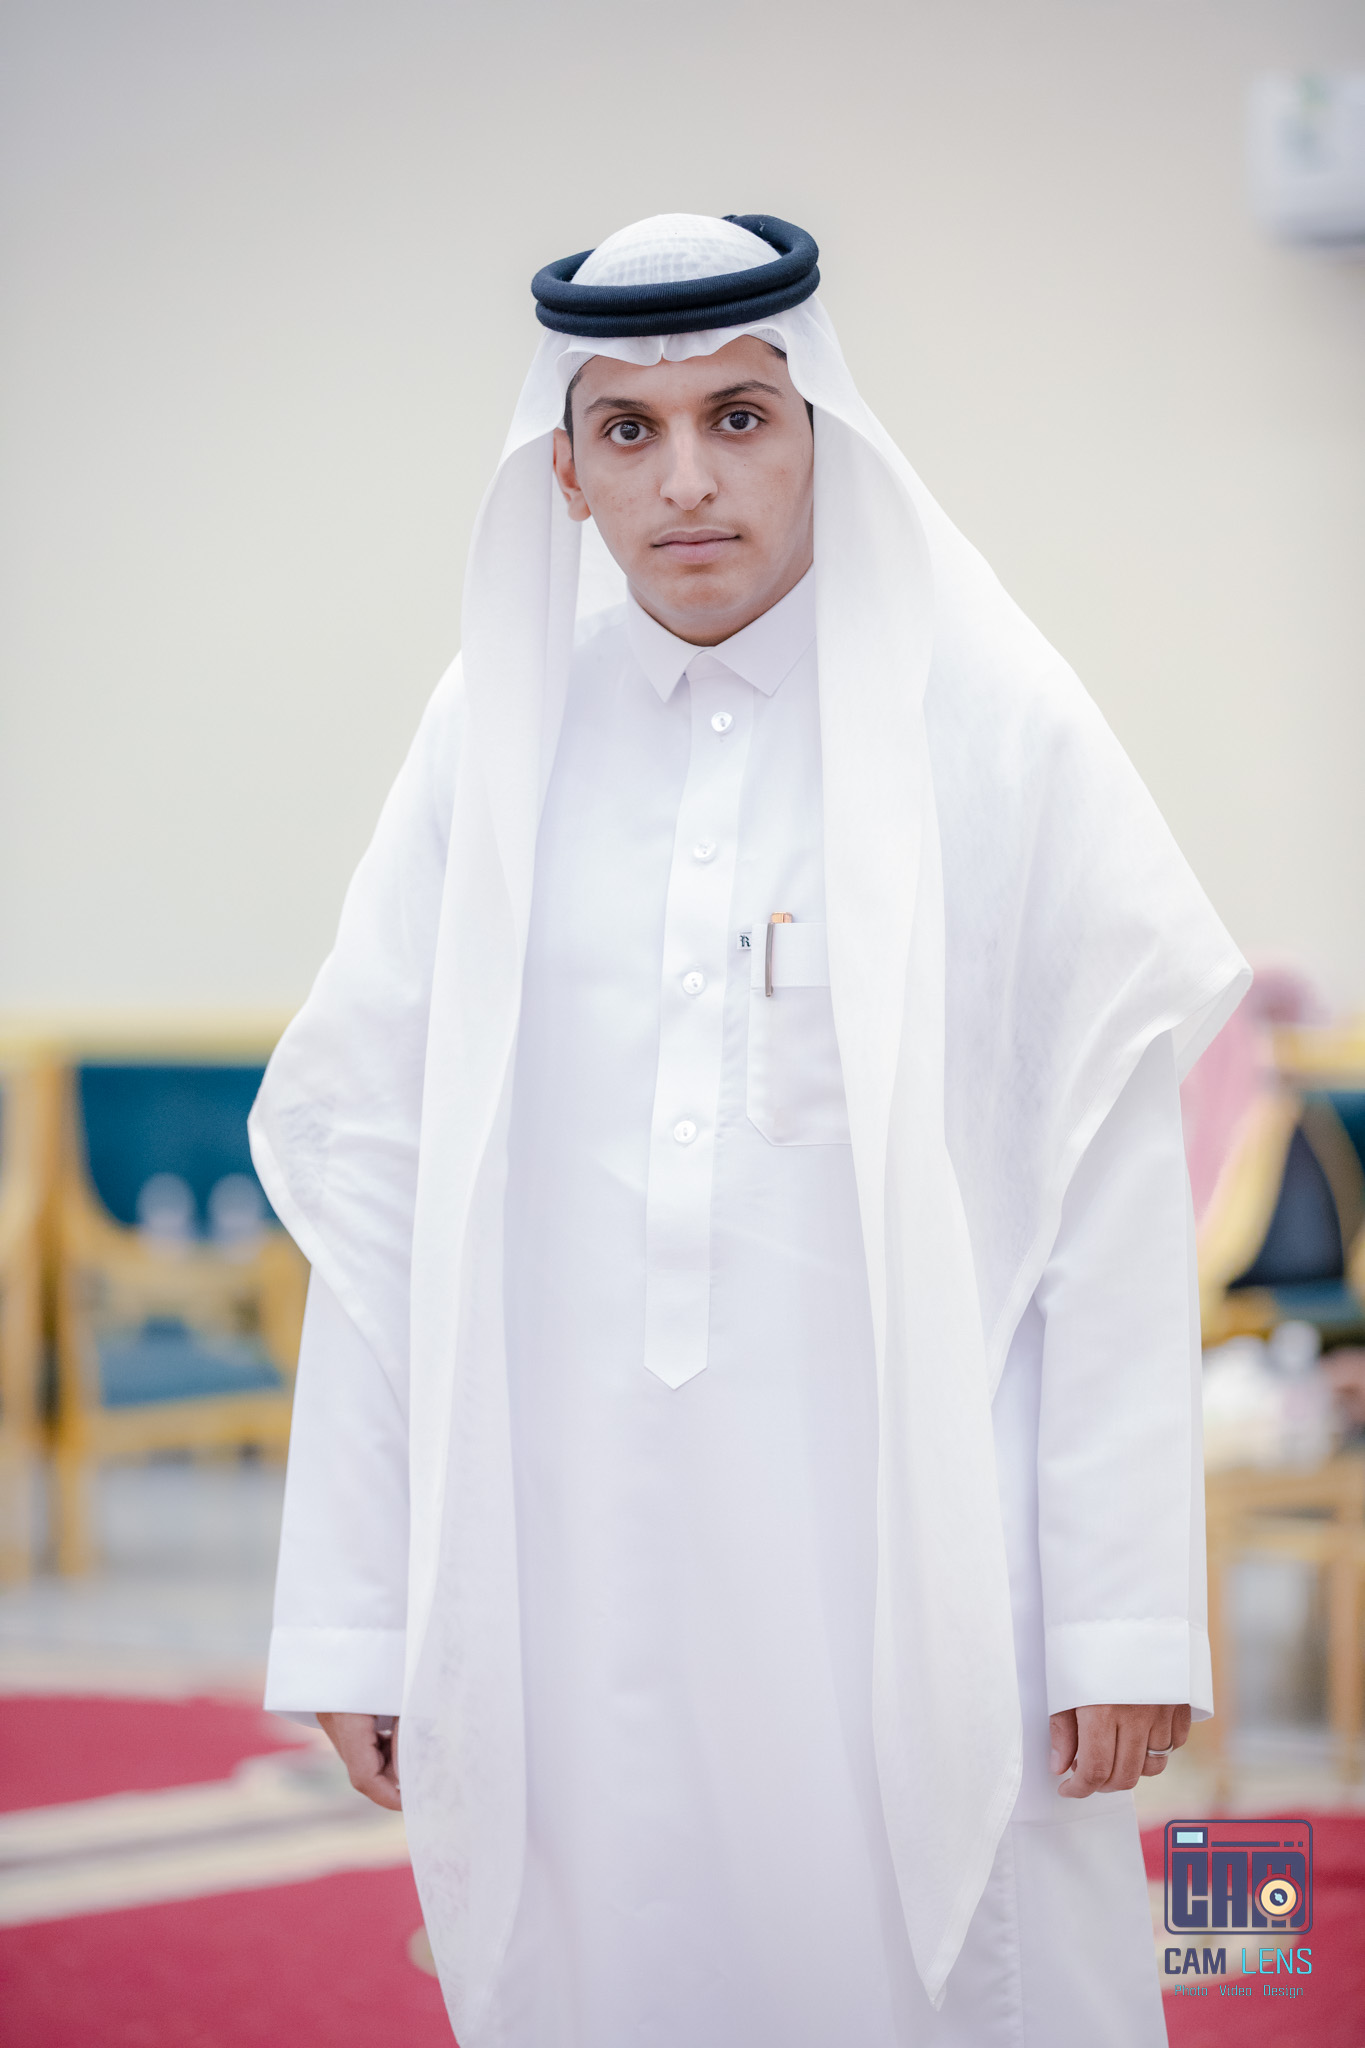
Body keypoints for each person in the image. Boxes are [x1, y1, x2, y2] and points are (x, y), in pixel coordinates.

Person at [253, 213, 1248, 2048]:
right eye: (627, 431)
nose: (687, 481)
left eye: (737, 416)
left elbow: (1103, 1190)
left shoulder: (988, 727)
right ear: (564, 471)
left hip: (919, 1556)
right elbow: (378, 1177)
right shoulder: (493, 732)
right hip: (571, 1557)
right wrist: (360, 1608)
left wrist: (1119, 1614)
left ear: (820, 437)